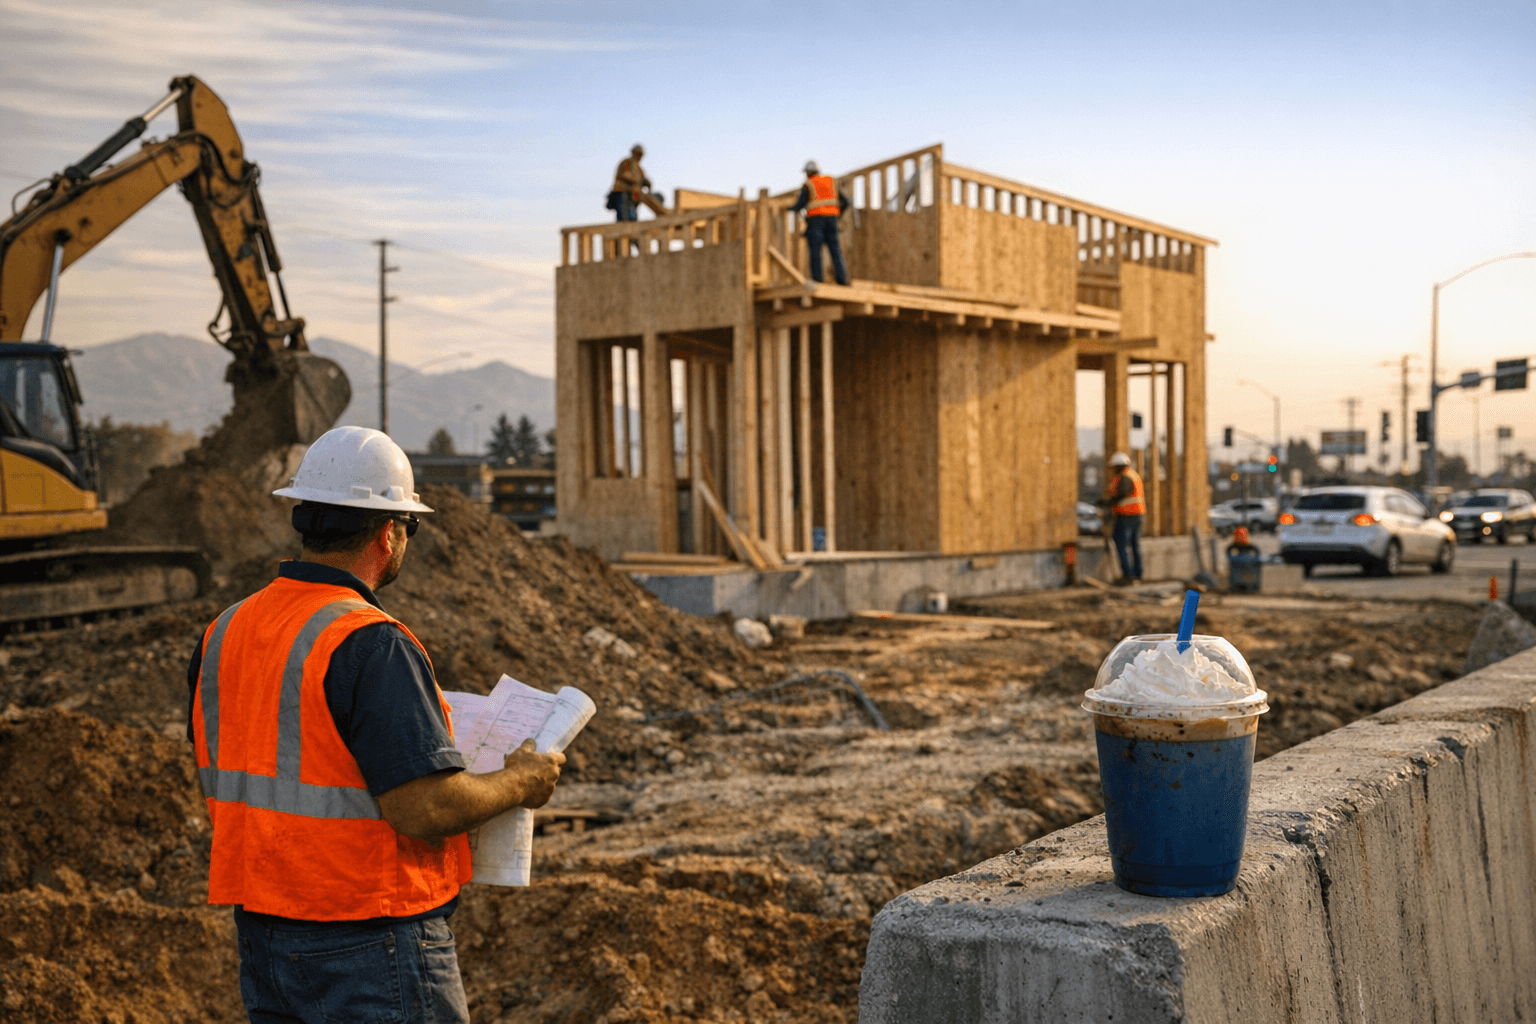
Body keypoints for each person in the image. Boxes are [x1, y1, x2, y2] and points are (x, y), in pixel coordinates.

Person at [185, 426, 565, 1024]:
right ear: (389, 533)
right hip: (369, 935)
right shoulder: (370, 643)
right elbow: (423, 809)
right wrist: (522, 780)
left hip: (265, 935)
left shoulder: (225, 631)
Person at [789, 160, 850, 285]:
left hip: (816, 221)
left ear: (808, 173)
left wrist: (789, 208)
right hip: (832, 220)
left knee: (815, 251)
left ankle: (817, 279)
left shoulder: (809, 184)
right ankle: (842, 280)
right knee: (835, 250)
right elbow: (846, 202)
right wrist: (838, 214)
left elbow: (800, 205)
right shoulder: (830, 182)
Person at [1105, 451, 1145, 585]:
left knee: (1121, 543)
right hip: (1137, 514)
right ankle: (1137, 574)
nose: (1113, 470)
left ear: (1119, 465)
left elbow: (1122, 494)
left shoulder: (1125, 477)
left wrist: (1108, 502)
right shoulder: (1133, 475)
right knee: (1134, 545)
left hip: (1127, 515)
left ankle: (1128, 575)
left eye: (1115, 466)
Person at [607, 143, 649, 222]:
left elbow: (644, 180)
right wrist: (639, 181)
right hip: (622, 192)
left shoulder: (639, 169)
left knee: (632, 217)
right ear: (633, 153)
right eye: (637, 153)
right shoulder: (627, 162)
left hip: (633, 195)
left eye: (640, 154)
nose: (639, 156)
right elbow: (625, 175)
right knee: (624, 217)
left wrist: (647, 183)